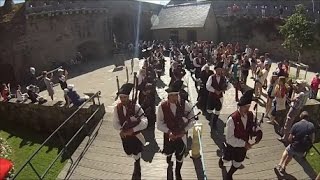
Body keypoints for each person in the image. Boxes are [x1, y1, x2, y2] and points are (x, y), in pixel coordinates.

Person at [219, 89, 263, 180]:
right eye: (245, 107)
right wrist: (244, 144)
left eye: (249, 106)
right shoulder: (232, 119)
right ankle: (222, 160)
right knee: (226, 159)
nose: (247, 109)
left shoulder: (251, 115)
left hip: (242, 148)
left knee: (238, 162)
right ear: (240, 106)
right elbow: (229, 139)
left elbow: (255, 125)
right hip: (232, 146)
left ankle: (229, 174)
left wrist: (258, 131)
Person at [157, 81, 196, 180]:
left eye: (176, 95)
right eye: (172, 95)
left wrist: (185, 130)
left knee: (180, 155)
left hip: (181, 136)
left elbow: (193, 119)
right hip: (169, 136)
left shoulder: (184, 104)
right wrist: (168, 132)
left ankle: (178, 171)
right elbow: (159, 124)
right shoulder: (162, 106)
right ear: (168, 96)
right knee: (169, 152)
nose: (175, 98)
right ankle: (169, 160)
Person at [113, 83, 148, 179]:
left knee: (136, 152)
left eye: (124, 97)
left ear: (128, 97)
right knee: (128, 151)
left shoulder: (136, 106)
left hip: (135, 135)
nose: (123, 99)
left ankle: (137, 165)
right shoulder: (117, 108)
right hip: (125, 136)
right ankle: (136, 161)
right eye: (121, 97)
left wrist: (133, 130)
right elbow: (115, 123)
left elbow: (145, 121)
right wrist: (121, 129)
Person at [275, 111, 315, 175]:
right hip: (302, 151)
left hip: (295, 146)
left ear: (301, 117)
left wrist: (293, 139)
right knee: (291, 154)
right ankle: (284, 167)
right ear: (308, 118)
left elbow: (289, 139)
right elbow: (312, 140)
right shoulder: (311, 125)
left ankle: (280, 164)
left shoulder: (296, 125)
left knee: (288, 150)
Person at [206, 62, 230, 129]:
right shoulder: (211, 77)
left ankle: (214, 124)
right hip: (212, 97)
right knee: (210, 110)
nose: (219, 71)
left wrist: (222, 90)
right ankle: (210, 119)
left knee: (218, 110)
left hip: (220, 97)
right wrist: (215, 90)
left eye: (220, 70)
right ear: (215, 70)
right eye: (217, 70)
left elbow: (229, 86)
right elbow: (207, 86)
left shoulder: (224, 78)